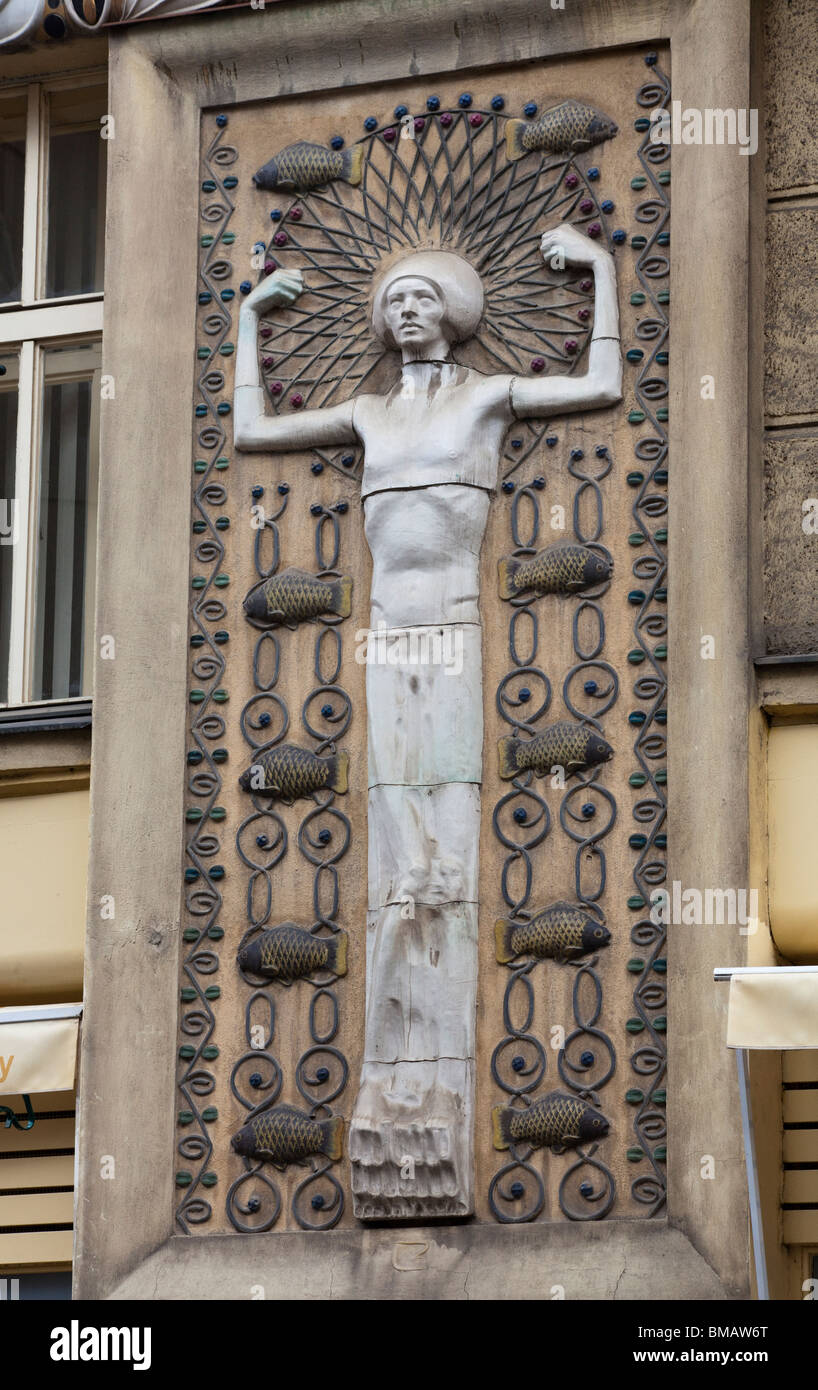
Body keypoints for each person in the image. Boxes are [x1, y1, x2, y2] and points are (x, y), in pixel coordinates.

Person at [234, 226, 621, 1219]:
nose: (404, 313)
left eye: (419, 300)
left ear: (450, 314)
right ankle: (399, 1018)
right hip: (383, 633)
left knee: (443, 808)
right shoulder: (366, 409)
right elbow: (253, 432)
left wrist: (601, 272)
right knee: (393, 810)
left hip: (451, 622)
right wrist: (245, 321)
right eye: (391, 302)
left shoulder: (485, 397)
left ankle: (432, 1018)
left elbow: (595, 383)